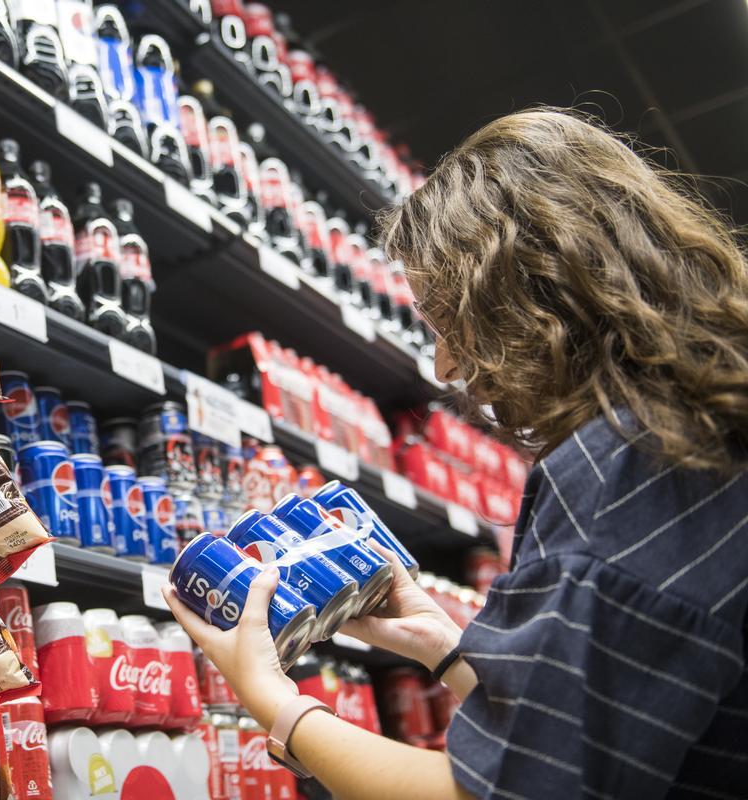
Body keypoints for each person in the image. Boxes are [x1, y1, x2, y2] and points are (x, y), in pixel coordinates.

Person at [165, 109, 748, 799]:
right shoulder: (694, 437)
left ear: (528, 294)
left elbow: (502, 794)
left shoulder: (623, 469)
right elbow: (614, 724)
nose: (444, 364)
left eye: (448, 321)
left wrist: (271, 698)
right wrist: (448, 651)